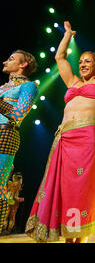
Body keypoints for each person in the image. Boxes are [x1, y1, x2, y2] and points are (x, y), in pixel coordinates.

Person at [26, 11, 95, 243]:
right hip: (64, 138)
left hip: (86, 138)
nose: (82, 64)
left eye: (88, 61)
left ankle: (80, 235)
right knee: (64, 187)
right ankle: (66, 234)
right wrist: (67, 35)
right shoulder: (73, 82)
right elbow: (60, 58)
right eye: (81, 61)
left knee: (82, 188)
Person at [0, 50, 37, 231]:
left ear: (23, 65)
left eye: (11, 58)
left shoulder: (29, 86)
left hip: (5, 134)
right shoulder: (2, 89)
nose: (6, 61)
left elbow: (17, 114)